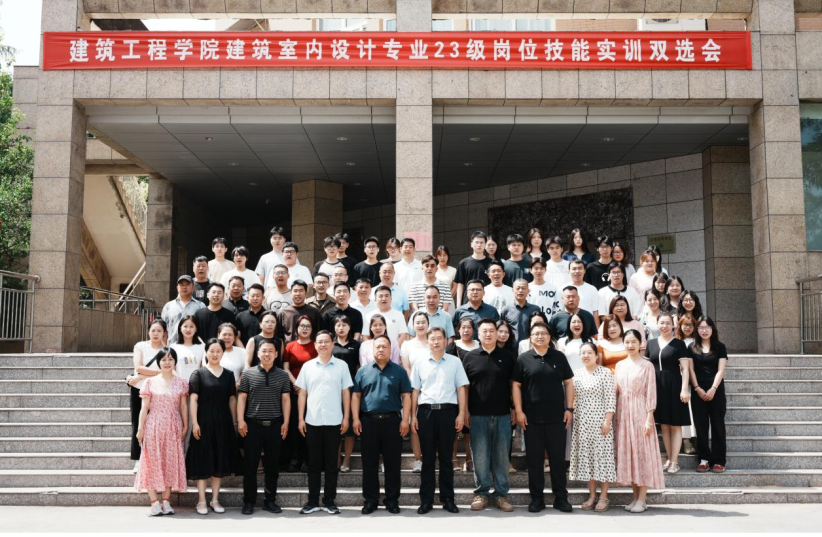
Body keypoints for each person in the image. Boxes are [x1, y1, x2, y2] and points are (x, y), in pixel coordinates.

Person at [512, 322, 574, 513]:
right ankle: (537, 499)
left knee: (557, 461)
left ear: (549, 337)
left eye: (544, 333)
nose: (540, 336)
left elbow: (569, 383)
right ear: (530, 338)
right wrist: (519, 411)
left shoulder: (559, 357)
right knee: (534, 461)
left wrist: (569, 409)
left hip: (557, 419)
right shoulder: (523, 359)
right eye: (536, 334)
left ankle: (561, 498)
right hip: (531, 420)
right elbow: (516, 386)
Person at [411, 327, 469, 515]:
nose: (436, 342)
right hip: (426, 413)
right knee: (427, 458)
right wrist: (413, 415)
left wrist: (461, 414)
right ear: (427, 341)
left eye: (439, 338)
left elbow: (461, 388)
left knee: (446, 458)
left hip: (448, 412)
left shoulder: (455, 362)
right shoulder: (419, 362)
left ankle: (448, 499)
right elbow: (415, 391)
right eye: (432, 339)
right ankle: (426, 500)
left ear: (445, 341)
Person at [352, 335, 412, 514]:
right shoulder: (363, 371)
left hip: (392, 422)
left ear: (390, 350)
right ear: (372, 350)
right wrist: (355, 419)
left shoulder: (399, 371)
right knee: (369, 463)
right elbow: (356, 396)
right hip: (368, 421)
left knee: (393, 463)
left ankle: (392, 500)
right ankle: (370, 500)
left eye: (384, 347)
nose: (380, 350)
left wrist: (405, 419)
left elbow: (406, 396)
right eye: (377, 347)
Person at [296, 331, 354, 515]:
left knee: (331, 464)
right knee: (313, 463)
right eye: (319, 342)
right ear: (315, 345)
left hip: (334, 420)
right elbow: (302, 393)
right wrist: (300, 418)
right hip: (312, 421)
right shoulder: (308, 366)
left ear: (332, 344)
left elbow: (346, 393)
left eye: (326, 342)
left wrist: (346, 417)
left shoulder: (342, 366)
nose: (323, 345)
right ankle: (312, 501)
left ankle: (329, 501)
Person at [463, 319, 516, 512]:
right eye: (484, 331)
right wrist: (465, 410)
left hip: (503, 415)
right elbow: (464, 387)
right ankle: (482, 493)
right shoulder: (470, 357)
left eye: (491, 331)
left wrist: (514, 407)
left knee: (502, 457)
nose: (488, 334)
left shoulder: (508, 357)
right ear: (478, 334)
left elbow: (514, 385)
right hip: (477, 415)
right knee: (480, 457)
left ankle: (501, 495)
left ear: (496, 333)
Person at [237, 340, 292, 515]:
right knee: (250, 466)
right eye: (264, 351)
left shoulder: (282, 375)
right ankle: (249, 502)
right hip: (252, 425)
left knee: (272, 466)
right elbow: (242, 398)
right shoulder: (248, 374)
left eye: (270, 351)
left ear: (276, 354)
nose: (267, 354)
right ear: (258, 354)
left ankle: (270, 501)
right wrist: (240, 420)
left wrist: (286, 422)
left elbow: (286, 399)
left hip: (275, 425)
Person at [186, 338, 240, 515]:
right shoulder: (198, 374)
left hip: (223, 422)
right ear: (206, 352)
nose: (215, 354)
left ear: (223, 353)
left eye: (218, 351)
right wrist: (195, 423)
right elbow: (193, 400)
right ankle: (201, 501)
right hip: (203, 423)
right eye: (212, 351)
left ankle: (215, 500)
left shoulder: (229, 375)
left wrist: (234, 422)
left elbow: (232, 400)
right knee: (203, 461)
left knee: (219, 461)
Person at [614, 329, 665, 513]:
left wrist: (649, 418)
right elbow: (616, 391)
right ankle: (635, 498)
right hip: (623, 413)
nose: (630, 345)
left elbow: (651, 392)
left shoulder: (647, 365)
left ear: (640, 343)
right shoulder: (619, 365)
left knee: (642, 455)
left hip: (641, 411)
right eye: (627, 342)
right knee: (630, 455)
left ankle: (642, 500)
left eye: (633, 342)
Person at [134, 347, 189, 516]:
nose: (167, 362)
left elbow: (183, 406)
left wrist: (186, 425)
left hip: (173, 424)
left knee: (170, 462)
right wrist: (140, 428)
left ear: (175, 362)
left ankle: (166, 501)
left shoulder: (181, 383)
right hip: (153, 424)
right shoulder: (149, 382)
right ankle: (154, 502)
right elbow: (144, 408)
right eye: (164, 359)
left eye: (170, 359)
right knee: (151, 462)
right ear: (158, 362)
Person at [569, 342, 616, 513]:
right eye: (583, 353)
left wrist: (607, 421)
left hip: (600, 422)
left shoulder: (605, 373)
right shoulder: (576, 374)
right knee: (588, 459)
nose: (586, 356)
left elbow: (610, 399)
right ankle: (592, 495)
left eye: (589, 352)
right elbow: (573, 399)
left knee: (603, 458)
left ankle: (603, 497)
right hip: (582, 423)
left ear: (597, 355)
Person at [645, 313, 691, 474]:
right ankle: (670, 458)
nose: (664, 326)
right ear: (657, 324)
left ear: (673, 325)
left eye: (667, 323)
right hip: (657, 387)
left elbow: (685, 369)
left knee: (675, 424)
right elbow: (646, 367)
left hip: (674, 386)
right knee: (664, 424)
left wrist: (684, 389)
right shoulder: (651, 343)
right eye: (661, 323)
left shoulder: (679, 344)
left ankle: (675, 461)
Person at [689, 316, 728, 473]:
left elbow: (721, 369)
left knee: (718, 425)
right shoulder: (692, 347)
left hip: (716, 391)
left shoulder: (720, 347)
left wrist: (713, 388)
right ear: (697, 330)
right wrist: (697, 388)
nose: (704, 330)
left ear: (712, 329)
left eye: (707, 327)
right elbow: (690, 370)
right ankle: (704, 459)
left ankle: (719, 460)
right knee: (701, 426)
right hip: (698, 391)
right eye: (701, 327)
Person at [127, 319, 167, 472]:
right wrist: (157, 372)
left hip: (158, 390)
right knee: (138, 423)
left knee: (156, 425)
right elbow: (138, 367)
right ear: (148, 331)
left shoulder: (167, 350)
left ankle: (154, 459)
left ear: (164, 333)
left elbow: (168, 371)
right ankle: (138, 459)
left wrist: (143, 375)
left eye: (159, 331)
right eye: (153, 330)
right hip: (139, 389)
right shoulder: (140, 346)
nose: (156, 334)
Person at [282, 316, 317, 472]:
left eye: (308, 326)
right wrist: (296, 383)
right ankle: (295, 459)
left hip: (311, 391)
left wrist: (306, 386)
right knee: (295, 424)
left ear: (312, 329)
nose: (305, 329)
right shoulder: (290, 346)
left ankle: (308, 460)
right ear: (296, 328)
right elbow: (285, 368)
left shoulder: (316, 346)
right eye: (302, 326)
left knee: (309, 425)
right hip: (294, 390)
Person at [445, 317, 478, 473]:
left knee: (469, 428)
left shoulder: (479, 345)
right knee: (454, 426)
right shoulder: (452, 346)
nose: (466, 330)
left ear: (473, 330)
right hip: (455, 390)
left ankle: (470, 459)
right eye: (463, 327)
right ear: (458, 329)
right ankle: (453, 458)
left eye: (469, 327)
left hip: (475, 390)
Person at [401, 311, 431, 473]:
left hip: (431, 388)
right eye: (417, 322)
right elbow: (406, 367)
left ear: (428, 324)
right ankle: (418, 459)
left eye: (423, 322)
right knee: (414, 422)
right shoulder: (407, 345)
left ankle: (429, 456)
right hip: (413, 388)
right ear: (412, 325)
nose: (420, 325)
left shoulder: (433, 342)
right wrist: (416, 383)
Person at [332, 316, 360, 473]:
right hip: (334, 389)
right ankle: (336, 458)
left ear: (350, 328)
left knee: (349, 425)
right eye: (338, 325)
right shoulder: (331, 344)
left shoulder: (356, 345)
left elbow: (358, 367)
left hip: (351, 388)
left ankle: (347, 459)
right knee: (335, 425)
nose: (341, 328)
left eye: (344, 325)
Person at [676, 313, 698, 456]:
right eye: (685, 325)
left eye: (690, 325)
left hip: (697, 381)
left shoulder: (698, 342)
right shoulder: (676, 342)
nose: (688, 328)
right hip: (681, 381)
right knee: (685, 410)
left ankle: (697, 439)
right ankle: (686, 441)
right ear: (680, 326)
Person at [162, 275, 205, 344]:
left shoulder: (200, 306)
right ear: (177, 288)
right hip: (172, 346)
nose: (184, 287)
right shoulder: (169, 306)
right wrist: (165, 347)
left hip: (193, 346)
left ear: (193, 287)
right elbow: (163, 330)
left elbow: (203, 329)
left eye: (187, 284)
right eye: (181, 285)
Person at [454, 232, 492, 307]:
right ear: (471, 244)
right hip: (467, 302)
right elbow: (460, 285)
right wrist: (458, 305)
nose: (479, 245)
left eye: (482, 242)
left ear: (485, 245)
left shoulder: (491, 263)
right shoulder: (463, 263)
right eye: (477, 242)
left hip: (487, 301)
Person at [501, 279, 541, 345]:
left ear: (528, 291)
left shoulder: (535, 309)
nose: (520, 290)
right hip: (510, 347)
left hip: (530, 346)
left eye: (523, 288)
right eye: (518, 288)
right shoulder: (506, 309)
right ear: (513, 291)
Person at [171, 315, 205, 381]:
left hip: (197, 385)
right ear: (180, 328)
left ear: (196, 329)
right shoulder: (173, 347)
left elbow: (203, 369)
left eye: (191, 326)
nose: (188, 329)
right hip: (179, 384)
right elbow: (172, 369)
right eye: (185, 326)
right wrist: (181, 383)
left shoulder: (202, 347)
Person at [569, 259, 600, 326]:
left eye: (580, 268)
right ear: (569, 270)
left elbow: (595, 312)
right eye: (574, 269)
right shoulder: (562, 290)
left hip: (588, 326)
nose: (577, 271)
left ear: (584, 271)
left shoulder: (592, 289)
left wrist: (596, 330)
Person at [215, 323, 245, 387]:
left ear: (234, 337)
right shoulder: (211, 351)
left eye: (230, 335)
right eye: (224, 334)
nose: (227, 337)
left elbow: (245, 371)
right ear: (218, 335)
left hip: (236, 388)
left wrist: (238, 385)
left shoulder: (242, 352)